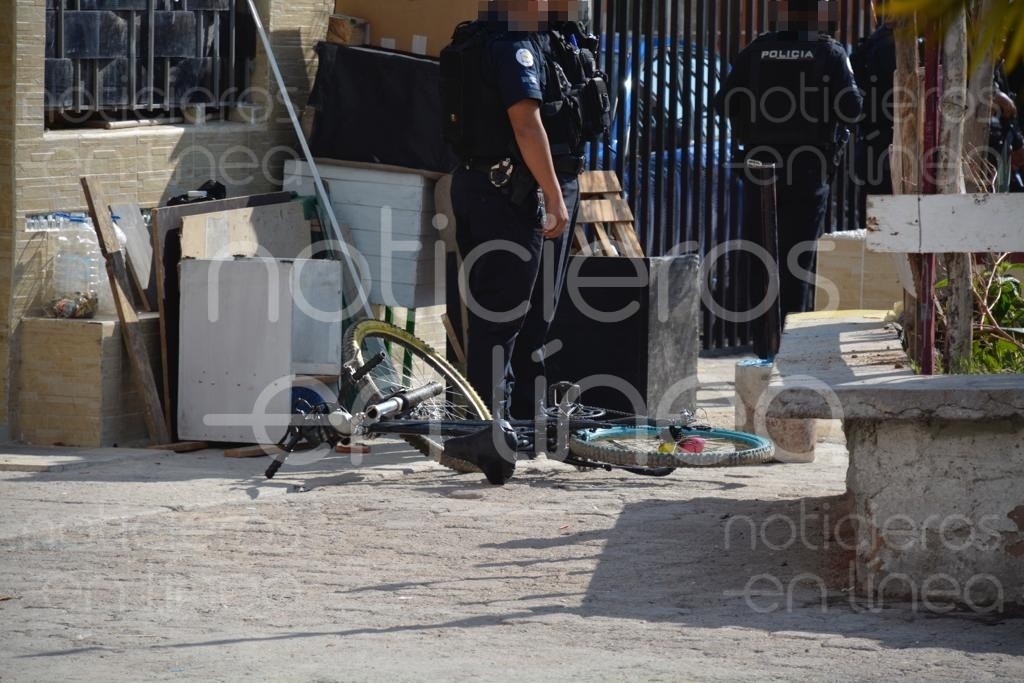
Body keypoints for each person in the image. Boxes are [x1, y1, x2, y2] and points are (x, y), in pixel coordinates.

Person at [442, 0, 607, 419]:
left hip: (529, 187)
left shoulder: (550, 37)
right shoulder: (510, 42)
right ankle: (488, 426)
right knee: (502, 315)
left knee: (538, 313)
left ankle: (525, 417)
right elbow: (524, 121)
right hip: (511, 190)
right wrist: (552, 193)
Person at [714, 0, 862, 358]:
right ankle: (791, 343)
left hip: (760, 171)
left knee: (761, 255)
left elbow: (724, 103)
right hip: (807, 171)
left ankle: (763, 342)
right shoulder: (828, 51)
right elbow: (852, 108)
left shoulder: (757, 50)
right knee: (799, 258)